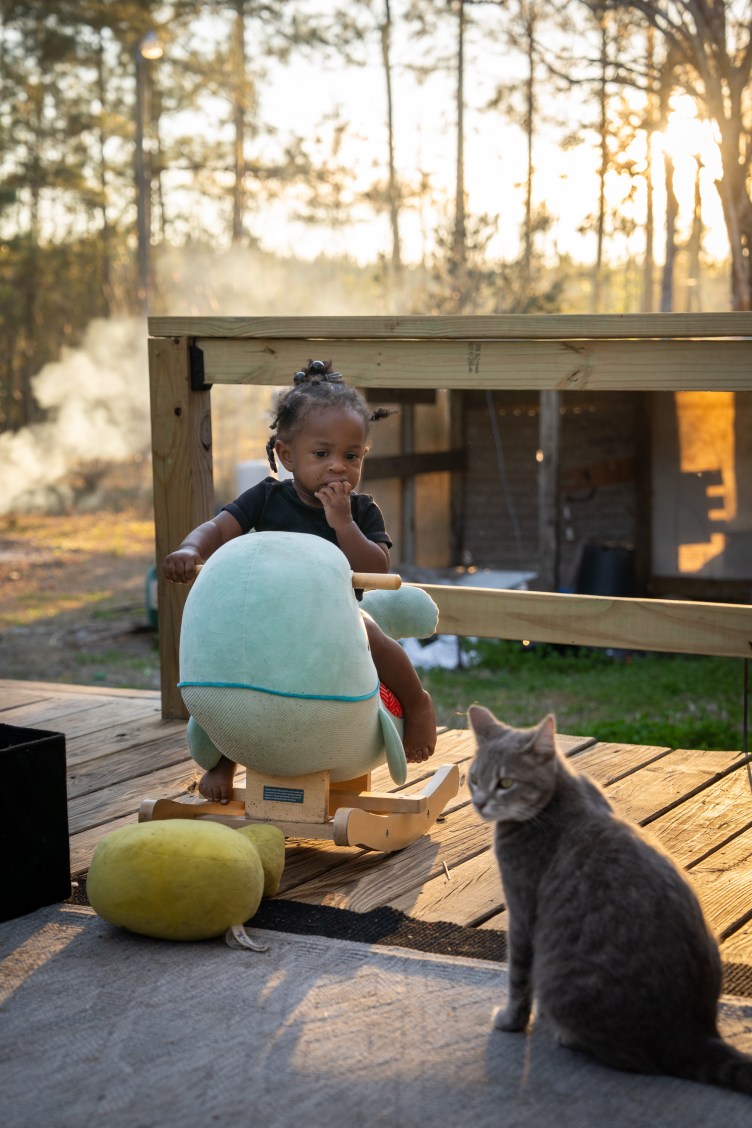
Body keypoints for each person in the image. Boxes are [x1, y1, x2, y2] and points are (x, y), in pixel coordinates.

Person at [164, 359, 437, 803]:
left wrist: (343, 523)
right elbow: (217, 529)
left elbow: (378, 567)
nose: (337, 468)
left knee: (377, 638)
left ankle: (418, 702)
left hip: (337, 621)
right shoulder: (267, 497)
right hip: (268, 621)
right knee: (233, 669)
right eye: (321, 454)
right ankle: (224, 757)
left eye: (351, 457)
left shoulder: (362, 510)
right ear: (287, 455)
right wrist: (191, 550)